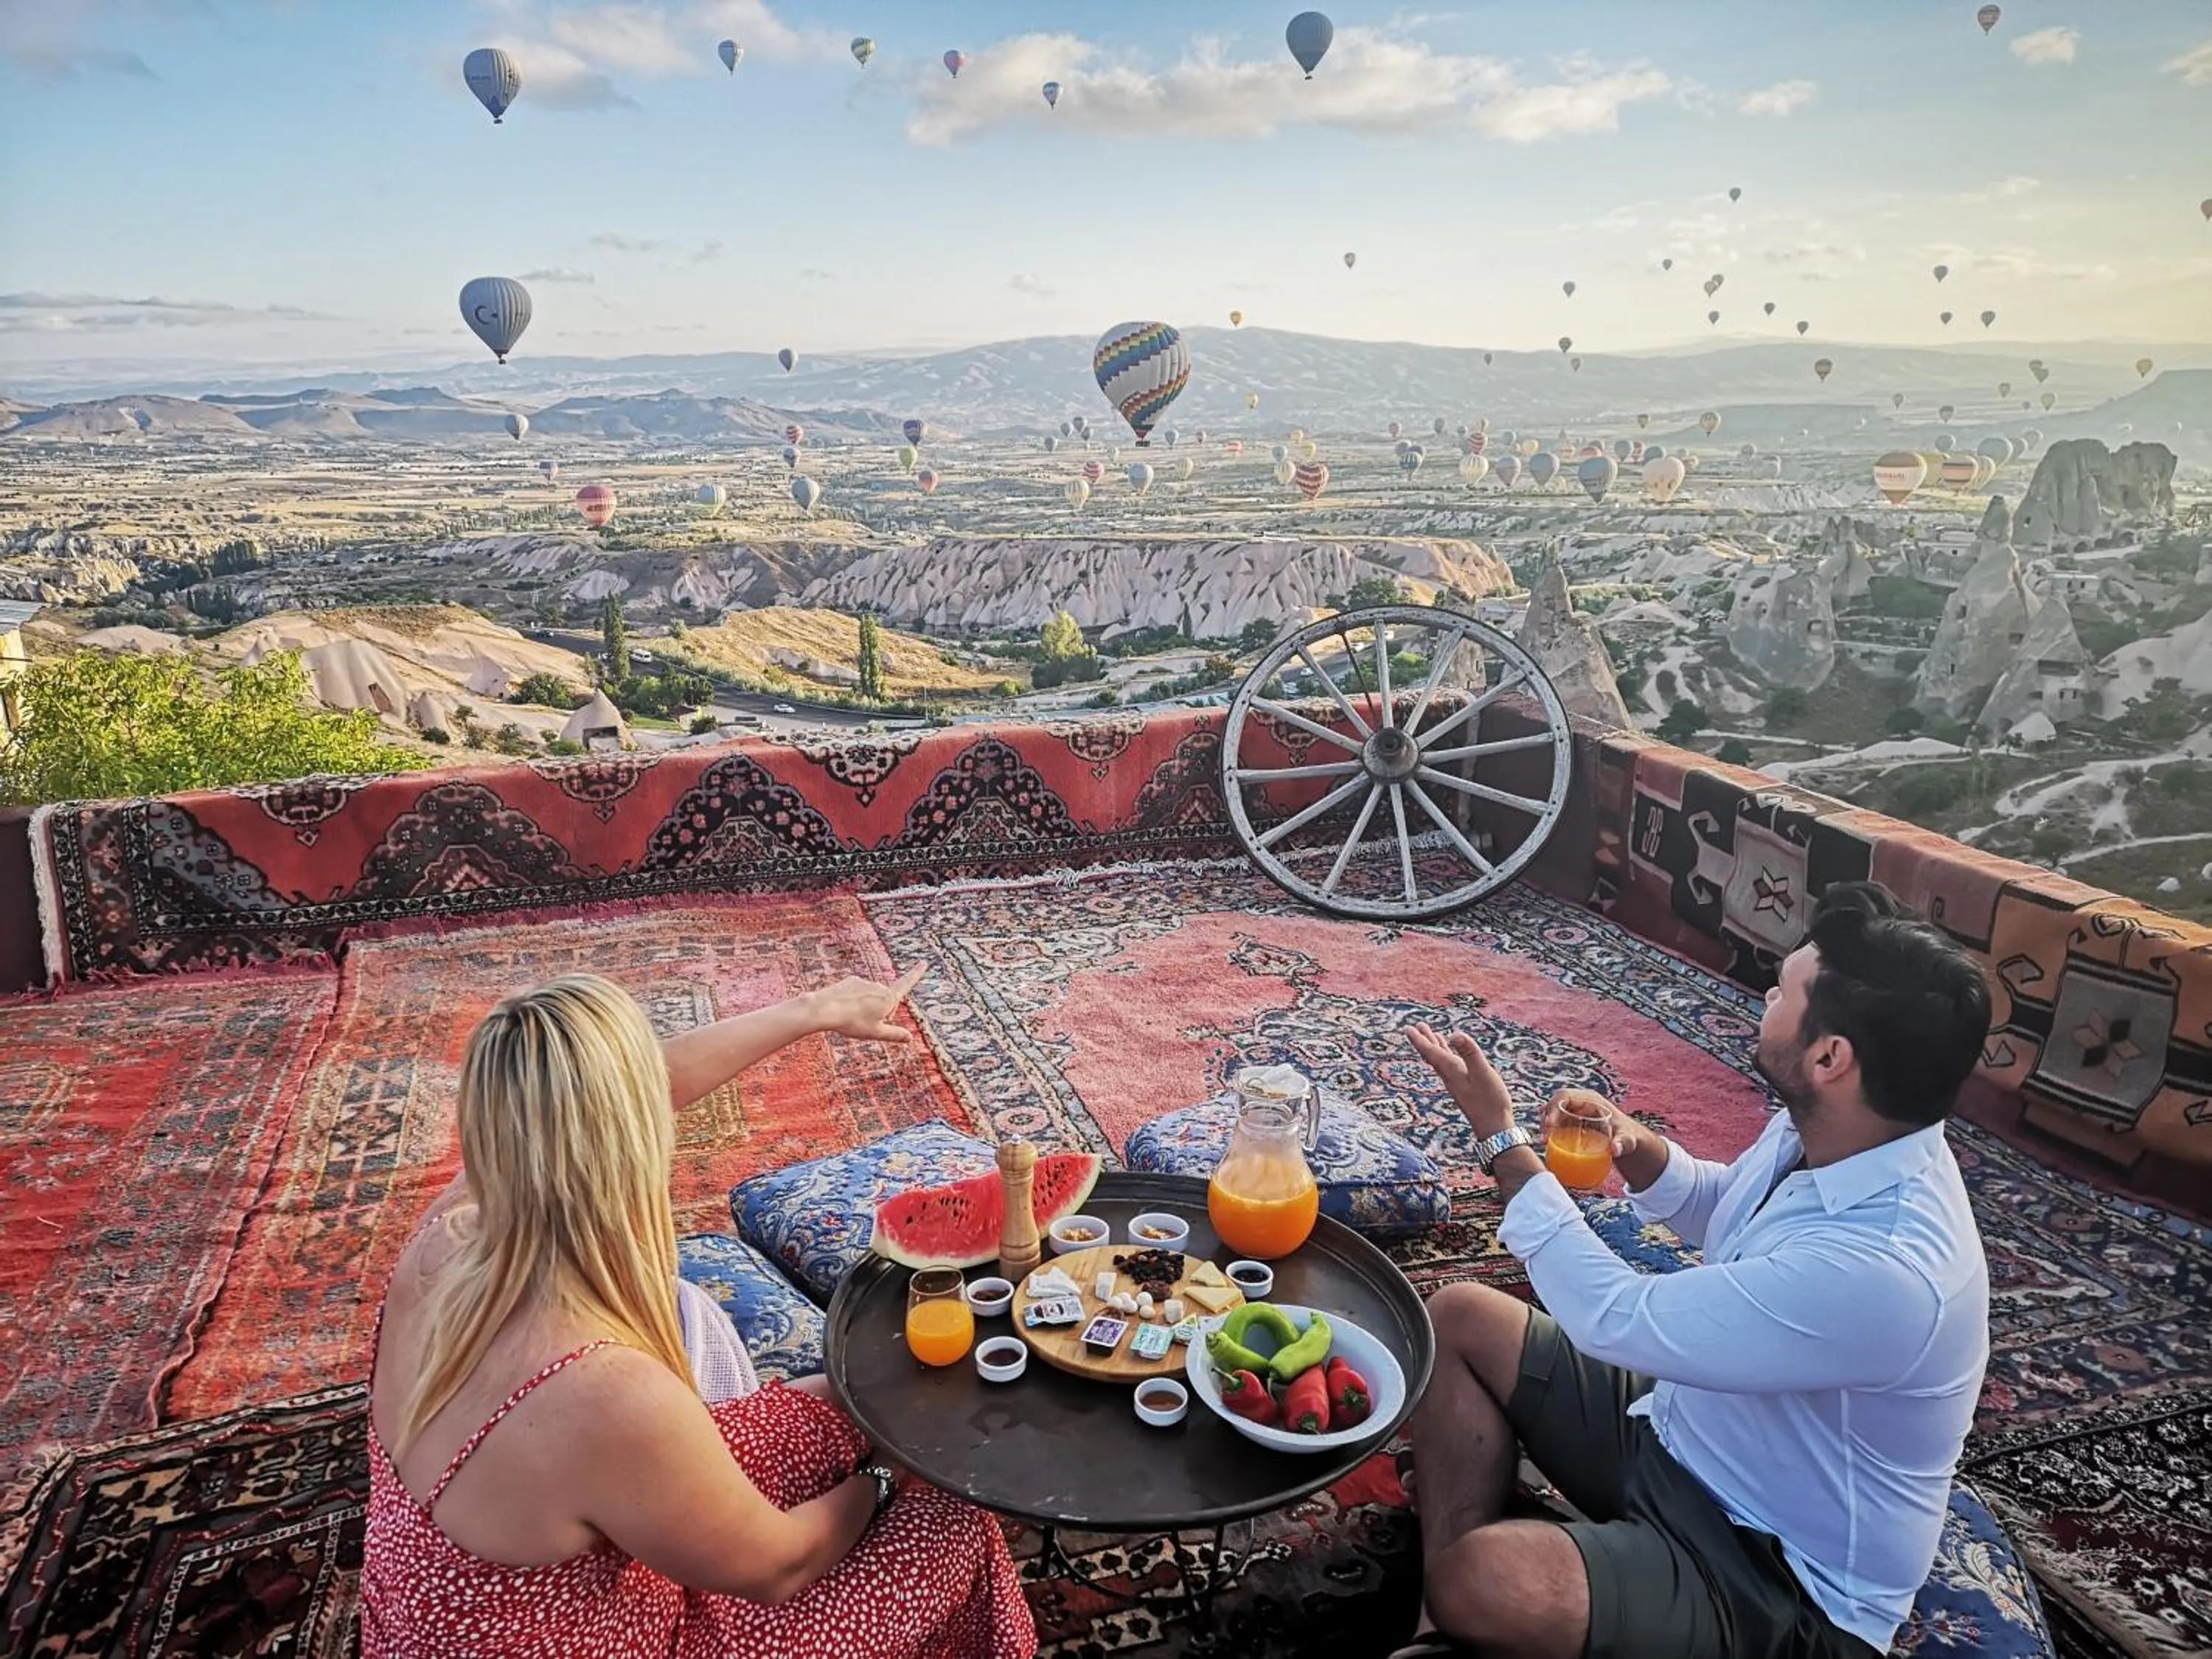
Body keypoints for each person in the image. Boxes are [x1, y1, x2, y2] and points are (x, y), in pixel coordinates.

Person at [1395, 882, 1993, 1659]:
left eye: (1785, 989)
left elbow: (1617, 1315)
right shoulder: (1838, 1128)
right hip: (1689, 1434)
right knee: (1459, 1318)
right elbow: (1729, 1207)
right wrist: (1638, 1149)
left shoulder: (1891, 1270)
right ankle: (1445, 1624)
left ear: (1830, 1056)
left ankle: (1469, 1603)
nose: (1767, 995)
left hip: (1776, 1572)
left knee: (1488, 1579)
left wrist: (1500, 1144)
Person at [362, 970, 1035, 1659]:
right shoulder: (601, 1388)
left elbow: (627, 1089)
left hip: (483, 1596)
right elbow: (779, 1567)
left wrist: (814, 1010)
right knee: (951, 1509)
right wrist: (892, 1473)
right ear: (638, 1140)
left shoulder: (453, 1227)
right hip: (640, 1634)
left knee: (849, 1391)